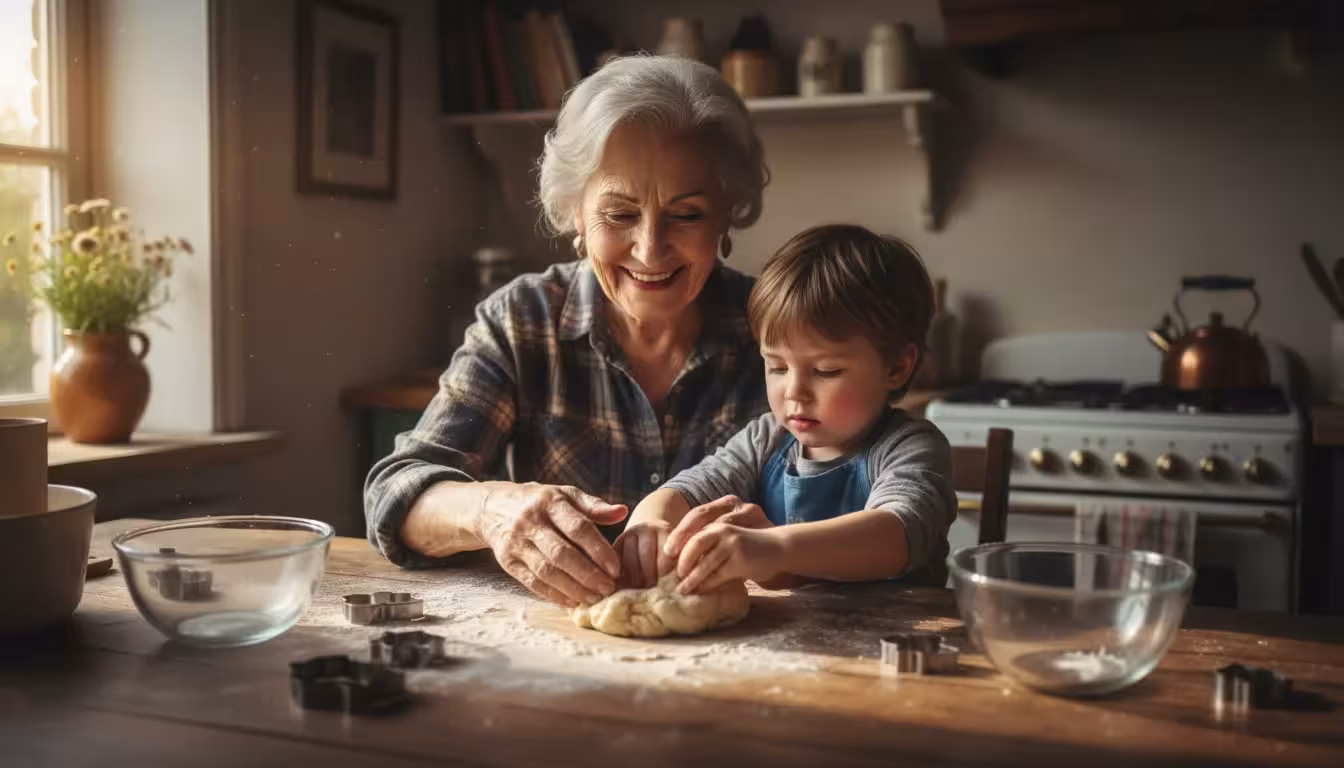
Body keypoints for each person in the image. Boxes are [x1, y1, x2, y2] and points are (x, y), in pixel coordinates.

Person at [363, 55, 771, 609]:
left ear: (727, 214)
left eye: (687, 214)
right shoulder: (522, 321)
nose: (650, 250)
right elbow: (395, 494)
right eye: (620, 215)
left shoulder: (779, 328)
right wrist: (491, 511)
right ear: (577, 215)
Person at [623, 224, 957, 594]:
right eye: (777, 367)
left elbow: (898, 532)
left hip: (897, 643)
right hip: (786, 646)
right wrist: (650, 525)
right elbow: (688, 491)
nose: (794, 392)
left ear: (897, 367)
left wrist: (776, 547)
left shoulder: (910, 447)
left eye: (825, 371)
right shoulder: (765, 439)